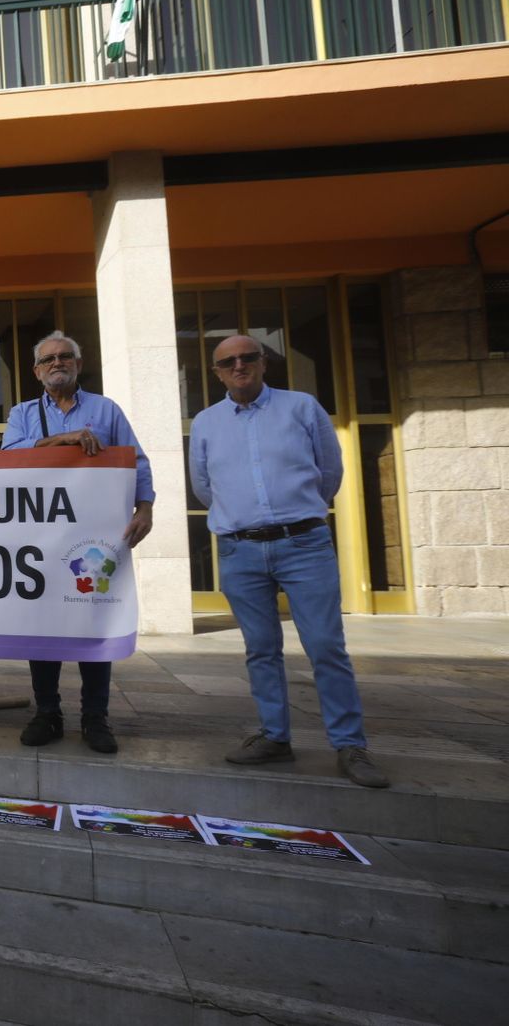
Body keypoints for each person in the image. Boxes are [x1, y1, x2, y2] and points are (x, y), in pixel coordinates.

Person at [190, 334, 389, 789]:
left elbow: (329, 472)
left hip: (303, 543)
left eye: (247, 358)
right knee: (261, 649)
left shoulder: (302, 408)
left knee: (326, 647)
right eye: (228, 362)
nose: (239, 366)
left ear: (264, 363)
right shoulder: (206, 423)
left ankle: (350, 744)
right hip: (240, 549)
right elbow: (204, 486)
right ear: (217, 372)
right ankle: (275, 737)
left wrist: (293, 512)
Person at [1, 330, 154, 755]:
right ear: (36, 370)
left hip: (93, 542)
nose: (57, 363)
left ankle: (95, 717)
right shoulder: (23, 413)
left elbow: (136, 460)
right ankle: (47, 712)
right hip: (41, 539)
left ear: (78, 364)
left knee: (94, 625)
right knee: (42, 626)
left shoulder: (106, 410)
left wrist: (145, 508)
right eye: (48, 359)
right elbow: (9, 458)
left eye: (65, 357)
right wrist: (60, 440)